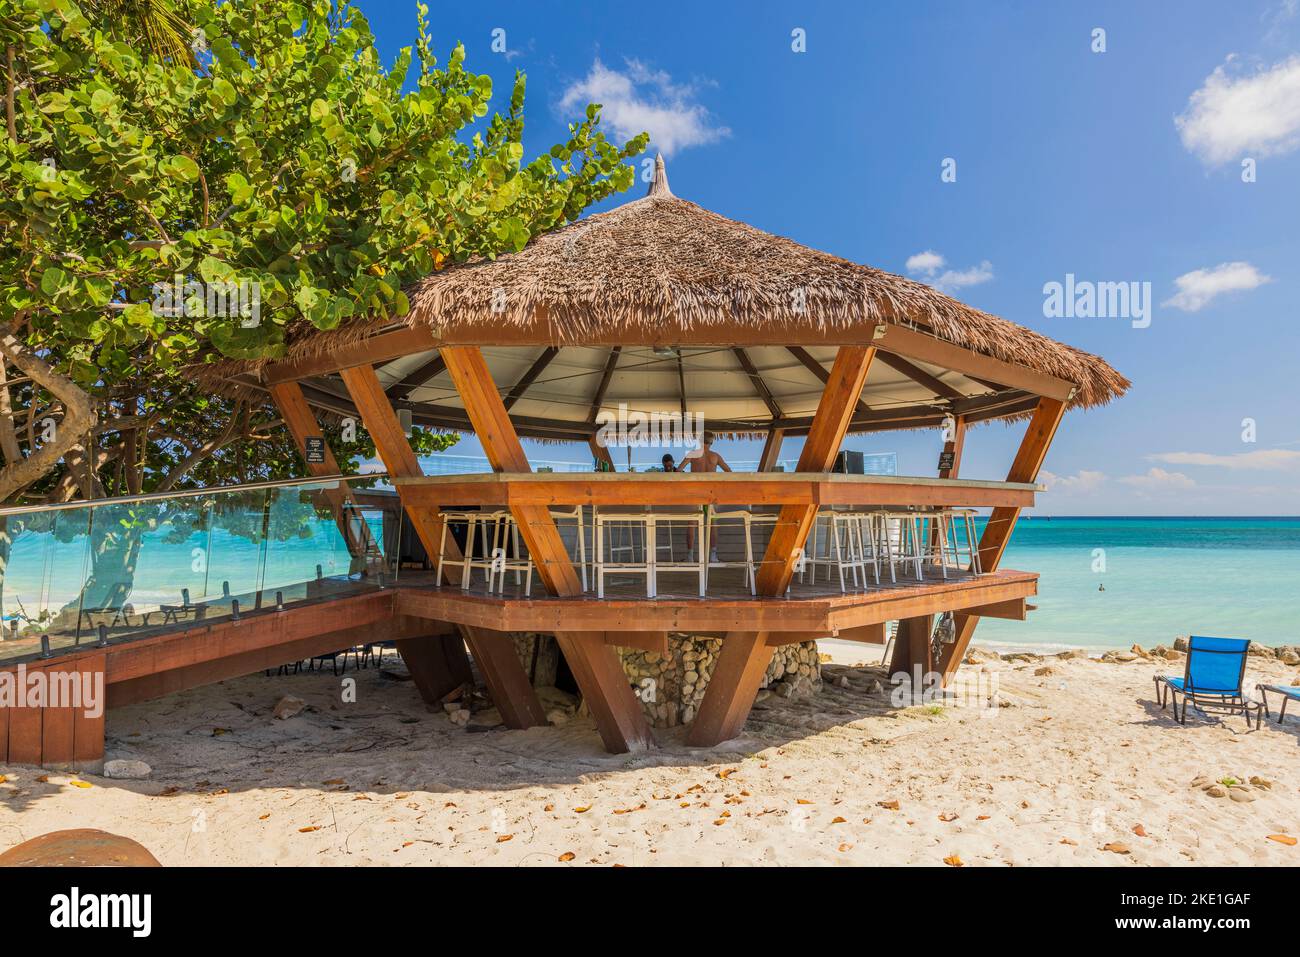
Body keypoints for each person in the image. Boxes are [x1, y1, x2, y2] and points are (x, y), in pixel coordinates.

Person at [685, 432, 730, 562]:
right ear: (711, 442)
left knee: (692, 524)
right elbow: (729, 472)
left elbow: (678, 472)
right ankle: (713, 555)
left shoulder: (693, 454)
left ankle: (690, 556)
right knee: (713, 523)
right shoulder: (715, 456)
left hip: (696, 493)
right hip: (711, 493)